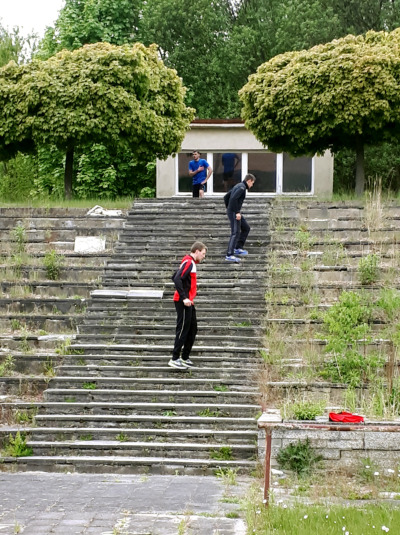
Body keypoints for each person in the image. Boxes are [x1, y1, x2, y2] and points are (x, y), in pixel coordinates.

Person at [169, 241, 207, 369]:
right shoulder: (189, 262)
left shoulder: (189, 262)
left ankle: (185, 357)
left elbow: (175, 275)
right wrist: (184, 297)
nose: (203, 257)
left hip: (189, 301)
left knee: (192, 328)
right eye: (203, 254)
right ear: (196, 251)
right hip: (183, 301)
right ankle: (175, 358)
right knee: (183, 329)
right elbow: (176, 278)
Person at [224, 174, 256, 263]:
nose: (252, 185)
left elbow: (226, 197)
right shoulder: (241, 188)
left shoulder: (238, 186)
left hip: (233, 211)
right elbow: (233, 199)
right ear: (249, 181)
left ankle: (238, 247)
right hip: (235, 212)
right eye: (252, 183)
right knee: (235, 232)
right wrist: (236, 211)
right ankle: (229, 254)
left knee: (246, 228)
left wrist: (229, 208)